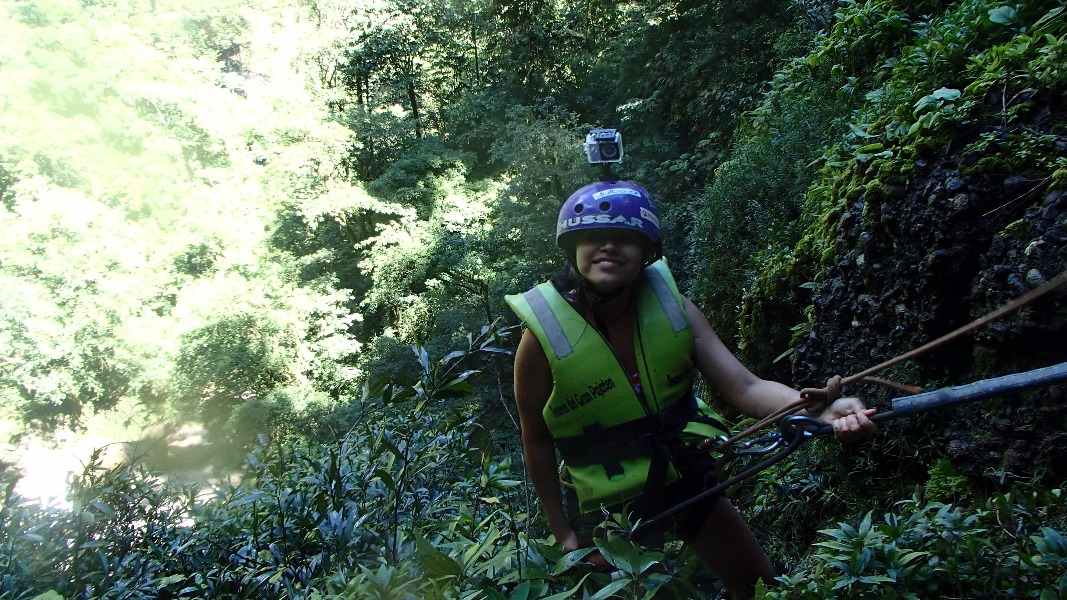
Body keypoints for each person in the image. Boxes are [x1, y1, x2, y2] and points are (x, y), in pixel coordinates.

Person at [505, 181, 877, 599]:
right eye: (594, 237)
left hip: (681, 468)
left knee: (761, 589)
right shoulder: (540, 339)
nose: (609, 247)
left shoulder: (675, 309)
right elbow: (536, 440)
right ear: (572, 248)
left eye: (626, 238)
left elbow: (746, 386)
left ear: (647, 252)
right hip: (603, 501)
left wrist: (817, 411)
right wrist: (562, 533)